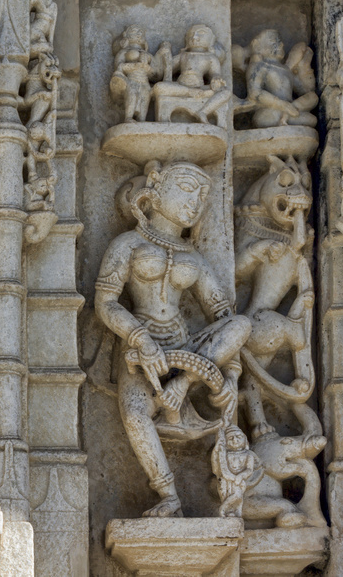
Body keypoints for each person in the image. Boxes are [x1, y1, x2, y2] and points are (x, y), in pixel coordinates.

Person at [95, 161, 251, 517]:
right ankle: (168, 495)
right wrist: (141, 339)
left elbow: (223, 316)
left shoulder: (192, 257)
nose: (195, 202)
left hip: (189, 351)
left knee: (242, 325)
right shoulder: (128, 244)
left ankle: (182, 386)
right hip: (142, 350)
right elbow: (105, 303)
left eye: (202, 195)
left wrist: (231, 375)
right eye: (185, 188)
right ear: (156, 190)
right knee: (135, 414)